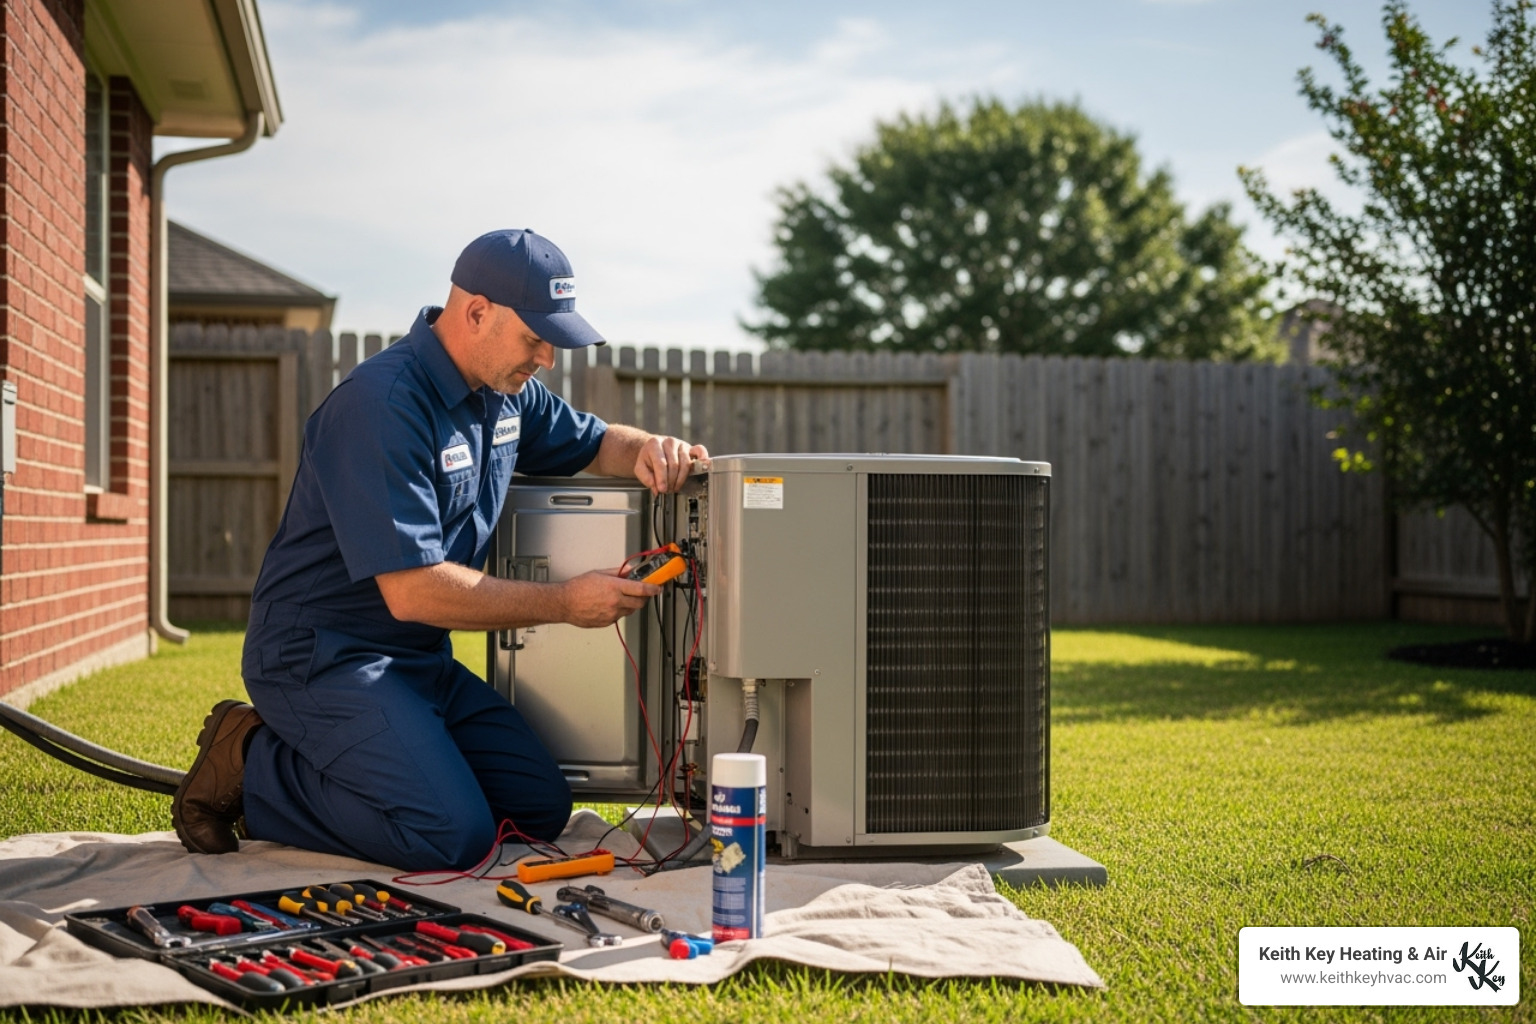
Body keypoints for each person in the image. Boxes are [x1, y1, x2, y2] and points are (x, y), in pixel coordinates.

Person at [170, 229, 708, 870]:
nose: (547, 359)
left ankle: (398, 770)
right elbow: (414, 590)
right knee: (451, 839)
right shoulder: (381, 406)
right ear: (476, 311)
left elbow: (595, 443)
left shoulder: (503, 395)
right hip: (322, 659)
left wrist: (649, 446)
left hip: (415, 661)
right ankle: (253, 760)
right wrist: (565, 601)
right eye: (535, 338)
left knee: (538, 807)